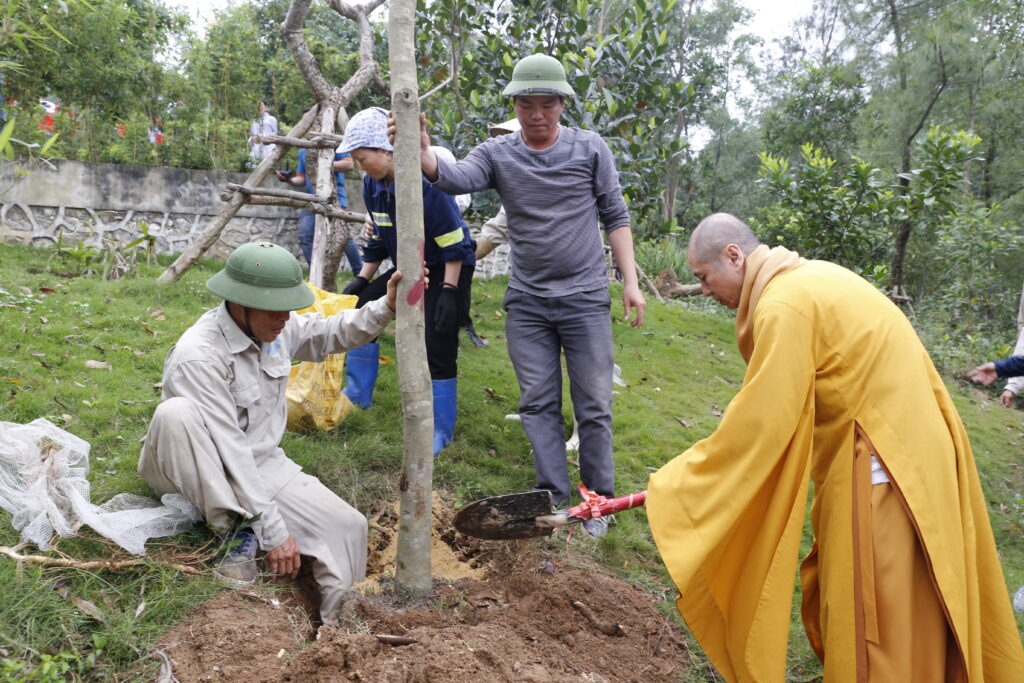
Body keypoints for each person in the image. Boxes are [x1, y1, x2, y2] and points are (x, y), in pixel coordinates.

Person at [645, 213, 1024, 681]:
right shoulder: (814, 276)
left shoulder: (785, 303)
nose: (703, 290)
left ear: (734, 256)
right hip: (920, 454)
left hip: (884, 470)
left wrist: (678, 487)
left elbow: (763, 422)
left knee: (874, 621)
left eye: (704, 277)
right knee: (916, 602)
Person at [403, 54, 646, 536]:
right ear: (514, 105)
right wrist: (423, 151)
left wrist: (631, 282)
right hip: (529, 303)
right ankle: (554, 497)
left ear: (562, 104)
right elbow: (455, 178)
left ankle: (598, 501)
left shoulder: (590, 149)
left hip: (584, 299)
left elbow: (615, 216)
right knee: (537, 402)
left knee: (594, 403)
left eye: (547, 103)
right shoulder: (499, 154)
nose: (537, 113)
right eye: (526, 104)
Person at [137, 241, 401, 623]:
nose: (285, 317)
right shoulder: (200, 355)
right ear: (238, 303)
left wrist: (387, 306)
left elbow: (331, 332)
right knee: (175, 413)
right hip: (195, 465)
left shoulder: (277, 328)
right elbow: (229, 451)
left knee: (349, 528)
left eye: (289, 308)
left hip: (261, 462)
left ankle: (340, 634)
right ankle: (237, 533)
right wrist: (272, 531)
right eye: (274, 309)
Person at [338, 107, 476, 456]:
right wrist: (363, 278)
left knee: (437, 339)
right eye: (354, 159)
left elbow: (452, 240)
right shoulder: (372, 183)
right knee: (361, 308)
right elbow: (381, 235)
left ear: (386, 150)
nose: (358, 165)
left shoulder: (427, 183)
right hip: (408, 265)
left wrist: (448, 291)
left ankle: (440, 431)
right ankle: (356, 397)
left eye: (362, 157)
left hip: (448, 265)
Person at [275, 145, 362, 272]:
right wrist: (288, 179)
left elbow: (348, 165)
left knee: (343, 237)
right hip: (314, 200)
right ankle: (316, 273)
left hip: (335, 199)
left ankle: (360, 273)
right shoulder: (304, 151)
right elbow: (301, 179)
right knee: (305, 237)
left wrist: (324, 163)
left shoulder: (334, 146)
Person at [248, 98, 279, 166]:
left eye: (261, 106)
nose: (259, 108)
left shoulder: (272, 119)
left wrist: (262, 138)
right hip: (256, 149)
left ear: (266, 107)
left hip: (268, 148)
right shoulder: (254, 121)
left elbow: (274, 135)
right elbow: (251, 136)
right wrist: (252, 139)